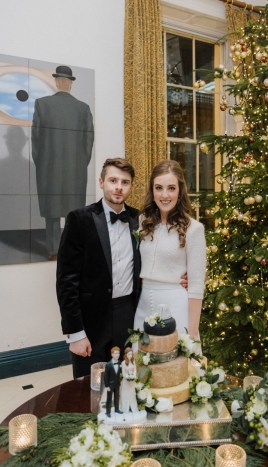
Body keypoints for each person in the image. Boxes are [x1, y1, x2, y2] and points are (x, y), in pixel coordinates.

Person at [56, 157, 141, 379]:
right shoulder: (79, 219)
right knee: (87, 391)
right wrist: (75, 333)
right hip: (91, 320)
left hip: (128, 316)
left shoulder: (138, 220)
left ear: (131, 186)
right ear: (101, 182)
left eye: (125, 182)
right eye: (113, 180)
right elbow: (66, 280)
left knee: (127, 383)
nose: (119, 187)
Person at [134, 160, 207, 339]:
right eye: (159, 188)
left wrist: (192, 333)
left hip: (176, 305)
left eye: (171, 188)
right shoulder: (142, 222)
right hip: (142, 305)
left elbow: (197, 286)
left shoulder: (194, 228)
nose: (164, 195)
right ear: (152, 190)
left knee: (176, 363)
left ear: (180, 191)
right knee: (142, 361)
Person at [31, 65, 94, 260]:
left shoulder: (42, 104)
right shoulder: (83, 108)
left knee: (51, 212)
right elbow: (88, 142)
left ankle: (53, 251)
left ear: (57, 82)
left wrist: (41, 163)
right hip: (75, 169)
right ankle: (70, 249)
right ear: (70, 84)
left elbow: (36, 140)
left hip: (48, 168)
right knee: (73, 212)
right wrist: (81, 164)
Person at [104, 346, 122, 417]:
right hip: (110, 385)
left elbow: (121, 373)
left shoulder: (120, 362)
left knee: (117, 397)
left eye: (118, 353)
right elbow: (105, 376)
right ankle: (108, 412)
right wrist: (106, 386)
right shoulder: (108, 364)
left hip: (117, 384)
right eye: (115, 353)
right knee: (109, 398)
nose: (117, 355)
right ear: (112, 354)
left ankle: (117, 409)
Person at [120, 347, 138, 413]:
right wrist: (127, 377)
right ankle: (125, 408)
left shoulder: (133, 362)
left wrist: (133, 376)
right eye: (129, 354)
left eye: (131, 354)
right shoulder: (123, 363)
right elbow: (124, 373)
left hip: (132, 381)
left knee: (132, 394)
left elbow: (135, 370)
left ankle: (133, 408)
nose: (130, 356)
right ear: (126, 355)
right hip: (126, 381)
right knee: (125, 394)